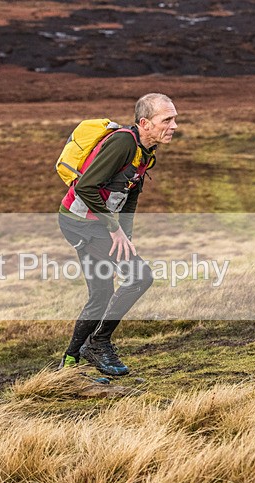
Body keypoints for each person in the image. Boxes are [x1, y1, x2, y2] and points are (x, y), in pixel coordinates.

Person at [58, 93, 178, 376]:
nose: (174, 126)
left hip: (93, 223)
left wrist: (126, 235)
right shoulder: (124, 143)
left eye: (175, 119)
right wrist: (114, 230)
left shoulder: (145, 153)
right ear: (145, 123)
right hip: (80, 222)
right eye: (167, 120)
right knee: (140, 277)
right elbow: (85, 188)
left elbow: (130, 198)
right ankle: (97, 344)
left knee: (101, 294)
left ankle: (69, 363)